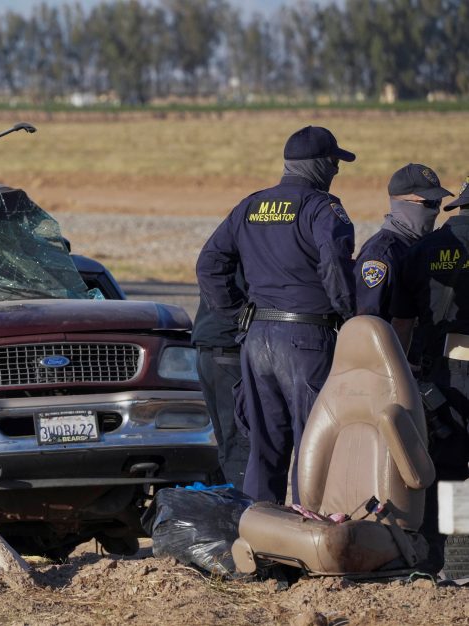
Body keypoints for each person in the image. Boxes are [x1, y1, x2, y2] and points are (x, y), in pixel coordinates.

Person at [196, 125, 357, 504]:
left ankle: (258, 543)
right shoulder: (322, 207)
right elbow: (335, 262)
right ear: (319, 166)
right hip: (307, 340)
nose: (337, 171)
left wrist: (238, 314)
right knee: (313, 445)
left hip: (257, 339)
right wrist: (351, 314)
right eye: (335, 163)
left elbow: (209, 263)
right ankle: (308, 540)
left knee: (263, 448)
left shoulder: (251, 205)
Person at [391, 176, 469, 574]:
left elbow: (402, 324)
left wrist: (401, 374)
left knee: (451, 469)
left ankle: (452, 563)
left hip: (441, 373)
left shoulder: (426, 249)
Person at [355, 164, 451, 320]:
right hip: (391, 343)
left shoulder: (425, 248)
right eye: (429, 203)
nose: (436, 211)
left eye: (438, 203)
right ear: (401, 202)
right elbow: (365, 323)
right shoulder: (381, 255)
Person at [192, 278, 250, 492]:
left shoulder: (226, 247)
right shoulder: (244, 247)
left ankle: (233, 508)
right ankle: (243, 513)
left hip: (211, 347)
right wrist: (239, 315)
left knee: (228, 441)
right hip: (227, 348)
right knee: (239, 442)